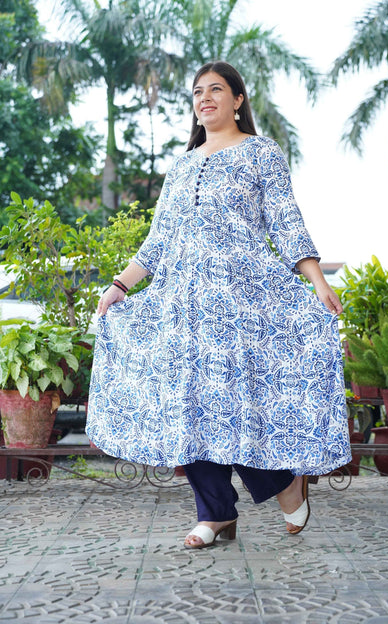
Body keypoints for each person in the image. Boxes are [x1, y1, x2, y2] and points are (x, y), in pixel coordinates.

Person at [86, 61, 351, 549]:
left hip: (242, 303)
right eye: (197, 92)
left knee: (235, 400)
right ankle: (216, 514)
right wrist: (120, 285)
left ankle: (284, 483)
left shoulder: (261, 152)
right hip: (182, 308)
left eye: (215, 89)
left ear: (237, 99)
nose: (204, 98)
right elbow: (158, 240)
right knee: (189, 404)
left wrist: (317, 282)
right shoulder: (182, 165)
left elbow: (286, 221)